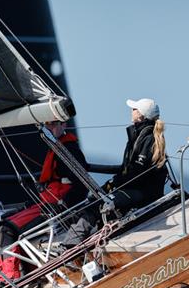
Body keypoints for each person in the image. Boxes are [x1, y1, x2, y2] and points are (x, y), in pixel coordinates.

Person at [0, 120, 90, 281]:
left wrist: (64, 203)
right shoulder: (56, 147)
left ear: (63, 124)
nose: (49, 128)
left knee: (6, 230)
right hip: (46, 202)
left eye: (53, 124)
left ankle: (13, 280)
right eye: (47, 125)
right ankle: (4, 277)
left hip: (57, 207)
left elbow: (81, 185)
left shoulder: (70, 150)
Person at [65, 98, 168, 246]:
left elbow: (139, 172)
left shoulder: (149, 138)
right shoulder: (139, 134)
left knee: (99, 204)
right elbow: (125, 168)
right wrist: (90, 167)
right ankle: (80, 242)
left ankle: (70, 245)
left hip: (143, 191)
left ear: (141, 115)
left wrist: (116, 182)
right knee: (93, 200)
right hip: (135, 187)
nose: (131, 111)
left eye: (134, 109)